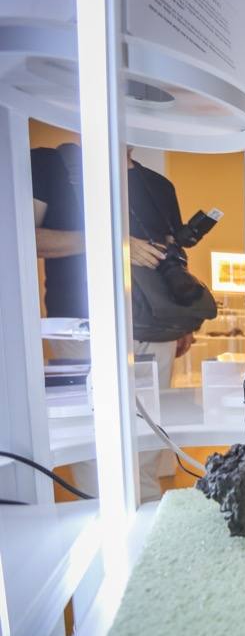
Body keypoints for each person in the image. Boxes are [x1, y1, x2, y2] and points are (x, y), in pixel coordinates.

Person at [32, 143, 198, 501]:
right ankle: (105, 536)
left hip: (155, 325)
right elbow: (27, 237)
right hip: (84, 326)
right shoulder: (53, 164)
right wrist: (114, 242)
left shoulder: (160, 186)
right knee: (96, 443)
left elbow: (172, 254)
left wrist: (182, 321)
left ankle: (152, 535)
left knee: (149, 441)